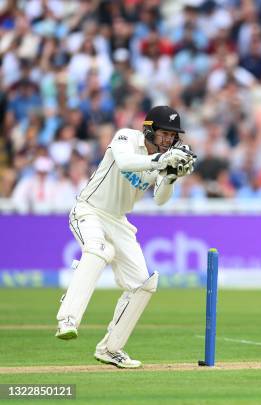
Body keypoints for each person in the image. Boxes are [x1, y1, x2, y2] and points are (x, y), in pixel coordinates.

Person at [55, 106, 196, 368]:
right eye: (164, 133)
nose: (168, 140)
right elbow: (125, 163)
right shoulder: (125, 138)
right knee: (98, 250)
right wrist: (161, 162)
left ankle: (111, 348)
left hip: (119, 221)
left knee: (144, 283)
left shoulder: (163, 158)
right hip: (90, 209)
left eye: (172, 135)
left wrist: (172, 177)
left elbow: (160, 199)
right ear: (150, 130)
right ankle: (68, 318)